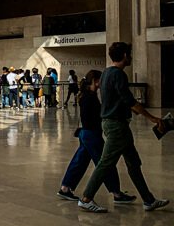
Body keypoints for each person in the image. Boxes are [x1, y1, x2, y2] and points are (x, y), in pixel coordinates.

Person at [77, 42, 169, 213]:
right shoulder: (118, 74)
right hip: (116, 126)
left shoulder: (106, 73)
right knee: (105, 163)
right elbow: (130, 101)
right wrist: (153, 118)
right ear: (125, 55)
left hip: (116, 125)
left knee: (133, 163)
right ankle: (86, 198)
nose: (131, 57)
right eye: (130, 54)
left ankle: (148, 200)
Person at [57, 70, 136, 205]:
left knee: (80, 161)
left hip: (86, 134)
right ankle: (116, 193)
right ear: (95, 80)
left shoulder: (87, 95)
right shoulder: (89, 97)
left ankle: (65, 188)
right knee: (106, 163)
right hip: (91, 134)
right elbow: (95, 116)